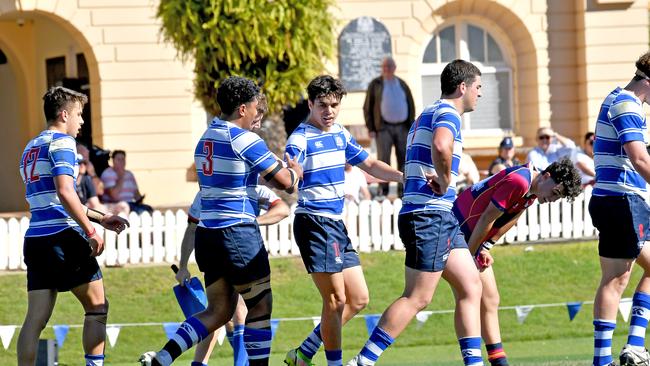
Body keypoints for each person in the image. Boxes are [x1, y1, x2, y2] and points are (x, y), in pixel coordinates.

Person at [140, 76, 302, 366]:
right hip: (237, 233)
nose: (257, 113)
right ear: (242, 109)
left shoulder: (205, 138)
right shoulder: (244, 139)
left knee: (218, 310)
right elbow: (285, 183)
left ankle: (164, 356)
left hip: (208, 235)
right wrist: (295, 171)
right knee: (260, 305)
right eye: (255, 107)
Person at [346, 59, 483, 366]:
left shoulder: (428, 112)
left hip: (436, 215)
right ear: (463, 87)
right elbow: (441, 144)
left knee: (471, 285)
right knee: (417, 298)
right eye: (478, 87)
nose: (479, 94)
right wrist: (447, 179)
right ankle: (362, 362)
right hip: (428, 215)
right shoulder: (448, 114)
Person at [284, 75, 403, 366]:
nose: (329, 111)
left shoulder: (339, 133)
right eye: (322, 105)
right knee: (335, 301)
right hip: (314, 223)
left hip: (335, 224)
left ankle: (303, 353)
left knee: (359, 298)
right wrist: (292, 171)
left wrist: (404, 176)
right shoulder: (300, 137)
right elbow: (290, 168)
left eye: (334, 105)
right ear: (310, 104)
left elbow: (371, 164)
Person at [17, 86, 129, 366]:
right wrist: (92, 231)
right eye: (79, 115)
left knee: (34, 319)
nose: (81, 122)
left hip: (36, 239)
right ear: (64, 114)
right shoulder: (64, 144)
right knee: (97, 308)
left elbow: (52, 200)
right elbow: (66, 193)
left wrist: (102, 218)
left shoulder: (30, 148)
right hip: (63, 237)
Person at [452, 158, 581, 366]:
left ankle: (499, 362)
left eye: (559, 198)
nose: (553, 199)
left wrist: (485, 247)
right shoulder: (520, 181)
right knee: (458, 295)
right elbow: (486, 218)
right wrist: (470, 254)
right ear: (546, 176)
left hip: (471, 237)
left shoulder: (532, 189)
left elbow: (514, 217)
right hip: (457, 232)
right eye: (555, 193)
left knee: (490, 299)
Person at [177, 185, 290, 366]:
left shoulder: (256, 189)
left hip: (237, 253)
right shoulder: (203, 194)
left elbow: (283, 209)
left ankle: (182, 359)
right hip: (227, 255)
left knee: (222, 315)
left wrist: (252, 222)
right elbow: (191, 228)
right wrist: (183, 266)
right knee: (224, 315)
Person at [589, 52, 650, 366]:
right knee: (615, 278)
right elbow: (639, 159)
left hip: (617, 199)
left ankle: (634, 347)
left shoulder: (621, 100)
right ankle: (603, 360)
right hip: (621, 200)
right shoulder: (627, 104)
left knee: (624, 275)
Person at [363, 56, 415, 197]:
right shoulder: (376, 84)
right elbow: (367, 107)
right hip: (383, 128)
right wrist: (371, 128)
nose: (387, 69)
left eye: (389, 66)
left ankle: (403, 190)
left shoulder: (402, 84)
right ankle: (383, 190)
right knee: (383, 159)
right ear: (382, 68)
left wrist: (411, 127)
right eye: (385, 67)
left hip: (402, 127)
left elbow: (410, 105)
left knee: (404, 159)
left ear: (394, 68)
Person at [100, 150, 153, 214]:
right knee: (141, 211)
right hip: (117, 206)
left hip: (131, 204)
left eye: (123, 159)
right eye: (118, 159)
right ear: (113, 161)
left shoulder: (129, 174)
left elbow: (136, 194)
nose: (121, 162)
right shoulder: (107, 173)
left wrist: (140, 200)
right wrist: (121, 177)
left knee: (148, 209)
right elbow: (114, 196)